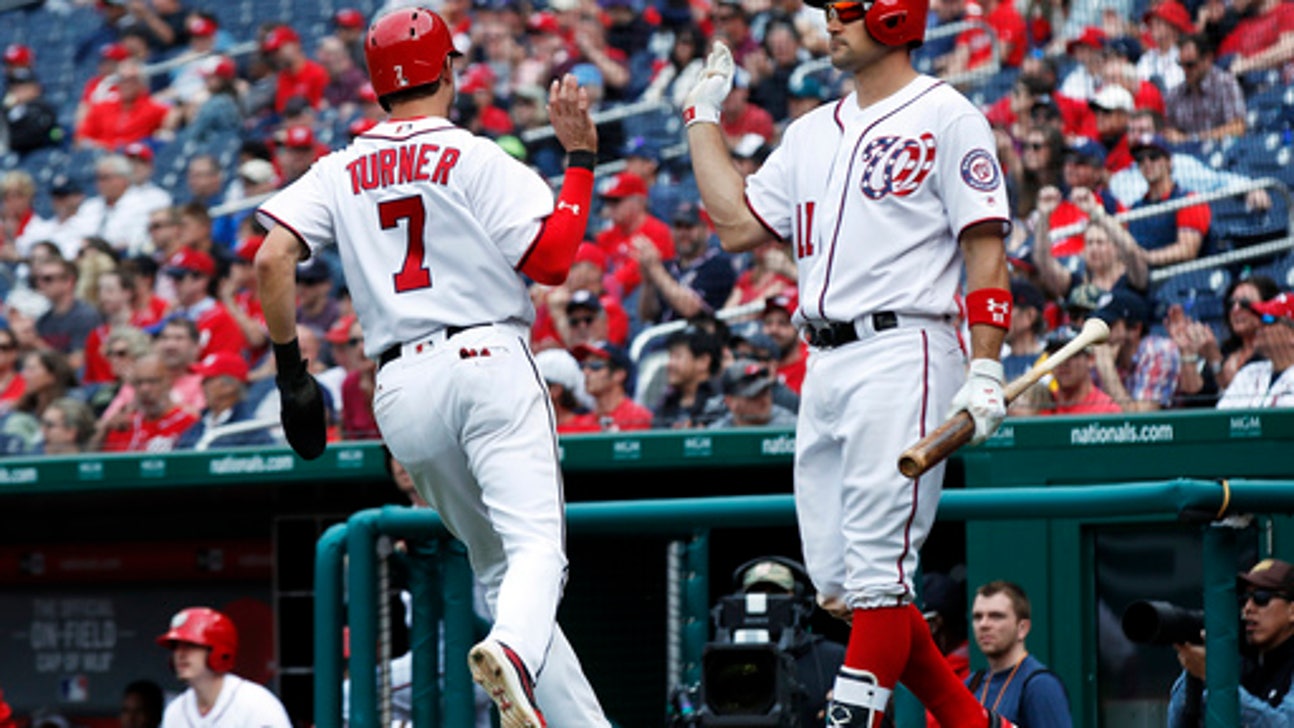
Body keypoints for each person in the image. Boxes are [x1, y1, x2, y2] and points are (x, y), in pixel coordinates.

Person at [253, 8, 610, 726]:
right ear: (448, 71)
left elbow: (270, 258)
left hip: (401, 389)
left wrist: (294, 375)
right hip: (485, 356)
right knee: (539, 551)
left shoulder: (338, 168)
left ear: (377, 84)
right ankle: (509, 650)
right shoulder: (473, 154)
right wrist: (579, 162)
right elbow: (551, 259)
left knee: (503, 571)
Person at [683, 4, 1016, 724]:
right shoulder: (809, 132)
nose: (829, 25)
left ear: (893, 17)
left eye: (847, 12)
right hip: (824, 363)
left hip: (905, 347)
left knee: (876, 575)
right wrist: (700, 117)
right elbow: (737, 224)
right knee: (847, 586)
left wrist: (985, 366)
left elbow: (985, 247)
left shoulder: (946, 114)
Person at [1167, 558, 1294, 726]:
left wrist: (1215, 677)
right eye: (1245, 599)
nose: (1248, 608)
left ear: (1292, 611)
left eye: (1261, 598)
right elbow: (1176, 723)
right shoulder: (1240, 661)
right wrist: (1193, 672)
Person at [156, 607, 292, 728]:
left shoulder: (256, 704)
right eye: (176, 646)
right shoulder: (175, 711)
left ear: (220, 652)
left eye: (191, 646)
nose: (180, 654)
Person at [968, 581, 1072, 727]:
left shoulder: (1040, 685)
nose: (984, 624)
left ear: (1022, 628)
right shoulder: (972, 683)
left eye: (996, 616)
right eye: (977, 617)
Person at [1092, 288, 1181, 412]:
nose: (1100, 333)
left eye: (1108, 325)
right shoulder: (1101, 354)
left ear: (1135, 329)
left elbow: (1140, 422)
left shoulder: (1158, 351)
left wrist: (1107, 369)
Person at [175, 351, 278, 449]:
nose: (202, 384)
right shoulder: (198, 423)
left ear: (229, 387)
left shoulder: (250, 429)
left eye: (208, 379)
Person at [1216, 292, 1294, 409]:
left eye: (1268, 319)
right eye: (1259, 318)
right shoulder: (1249, 373)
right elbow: (1222, 420)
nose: (1259, 325)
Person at [653, 326, 723, 429]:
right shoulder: (666, 403)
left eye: (677, 356)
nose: (670, 364)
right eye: (670, 356)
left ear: (703, 361)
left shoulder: (722, 402)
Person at [709, 358, 798, 429]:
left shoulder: (792, 428)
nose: (764, 400)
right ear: (729, 402)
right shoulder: (718, 433)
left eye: (765, 392)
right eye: (754, 396)